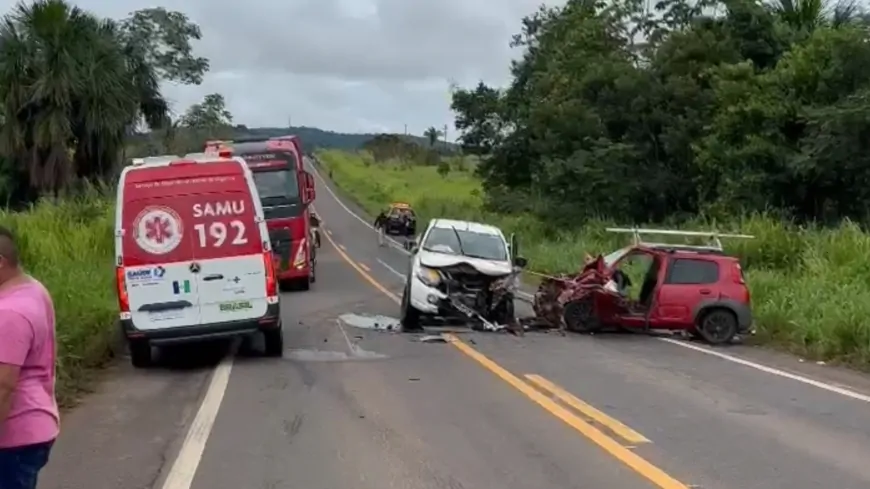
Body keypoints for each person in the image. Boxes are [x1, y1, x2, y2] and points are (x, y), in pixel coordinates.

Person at [0, 226, 58, 489]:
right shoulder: (31, 288)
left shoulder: (10, 313)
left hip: (13, 437)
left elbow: (3, 387)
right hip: (35, 424)